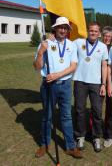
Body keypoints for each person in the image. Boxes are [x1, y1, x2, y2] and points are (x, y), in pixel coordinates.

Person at [33, 17, 82, 159]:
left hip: (65, 85)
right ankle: (44, 144)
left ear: (68, 30)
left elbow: (73, 66)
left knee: (66, 116)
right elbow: (37, 67)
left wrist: (57, 75)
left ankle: (70, 147)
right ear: (55, 28)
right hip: (48, 86)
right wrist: (41, 51)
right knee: (47, 116)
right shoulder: (46, 43)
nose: (62, 30)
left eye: (65, 28)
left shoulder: (72, 45)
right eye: (60, 27)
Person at [73, 22, 108, 152]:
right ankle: (80, 136)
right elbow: (65, 44)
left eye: (95, 31)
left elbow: (104, 66)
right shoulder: (78, 42)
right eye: (91, 30)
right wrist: (51, 38)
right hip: (80, 81)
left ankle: (96, 137)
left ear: (99, 33)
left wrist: (103, 84)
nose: (93, 33)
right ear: (88, 31)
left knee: (97, 111)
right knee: (79, 110)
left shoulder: (103, 47)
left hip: (96, 83)